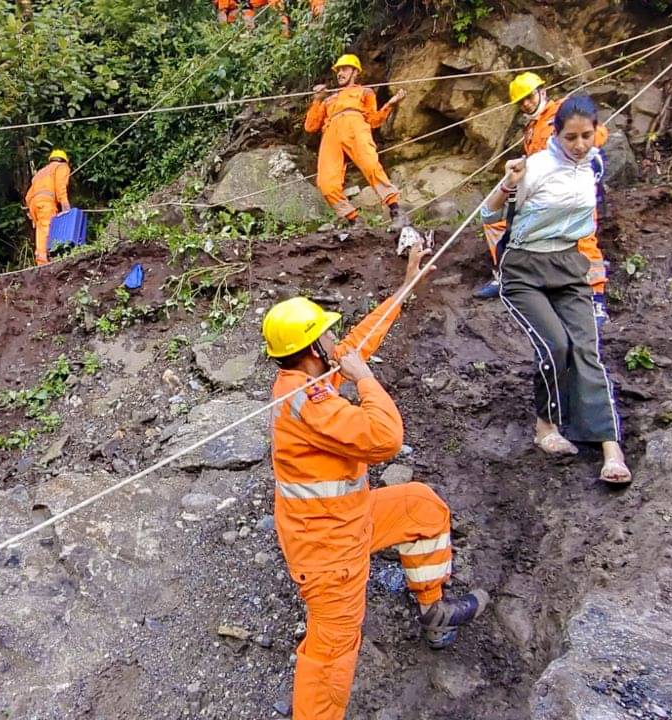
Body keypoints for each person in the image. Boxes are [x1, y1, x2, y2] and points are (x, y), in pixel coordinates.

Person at [263, 241, 488, 720]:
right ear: (310, 349)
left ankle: (434, 612)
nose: (334, 340)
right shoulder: (312, 403)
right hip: (329, 552)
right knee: (332, 650)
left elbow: (357, 344)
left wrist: (406, 284)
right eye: (325, 336)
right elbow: (385, 438)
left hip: (350, 519)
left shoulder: (308, 379)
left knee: (422, 507)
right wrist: (366, 380)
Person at [480, 94, 631, 485]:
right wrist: (507, 183)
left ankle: (608, 444)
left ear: (597, 131)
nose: (579, 145)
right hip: (524, 268)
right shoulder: (536, 167)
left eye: (586, 135)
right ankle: (546, 426)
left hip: (568, 265)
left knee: (586, 349)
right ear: (556, 134)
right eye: (571, 137)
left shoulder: (594, 164)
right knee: (556, 346)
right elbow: (489, 213)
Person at [475, 72, 611, 304]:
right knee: (498, 222)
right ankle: (508, 276)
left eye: (529, 97)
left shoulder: (563, 112)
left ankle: (597, 298)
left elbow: (598, 134)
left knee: (582, 238)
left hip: (571, 187)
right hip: (542, 191)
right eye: (522, 102)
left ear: (542, 92)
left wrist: (572, 149)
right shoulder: (532, 128)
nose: (526, 104)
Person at [304, 54, 409, 231]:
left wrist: (390, 104)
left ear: (355, 72)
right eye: (338, 70)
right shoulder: (329, 99)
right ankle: (354, 220)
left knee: (370, 165)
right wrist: (317, 99)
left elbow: (374, 120)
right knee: (326, 183)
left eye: (344, 69)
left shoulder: (365, 92)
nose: (340, 73)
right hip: (331, 133)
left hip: (355, 127)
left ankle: (396, 211)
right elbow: (310, 126)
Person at [24, 149, 71, 267]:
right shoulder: (61, 167)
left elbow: (28, 195)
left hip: (34, 204)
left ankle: (41, 261)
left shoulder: (41, 172)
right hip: (46, 203)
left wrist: (31, 210)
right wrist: (65, 207)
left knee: (41, 232)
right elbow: (60, 186)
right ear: (64, 160)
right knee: (47, 230)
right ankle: (46, 263)